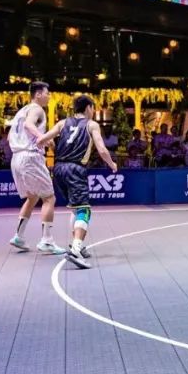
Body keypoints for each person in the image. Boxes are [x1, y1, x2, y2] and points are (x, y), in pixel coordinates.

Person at [36, 94, 118, 269]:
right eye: (93, 107)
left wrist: (53, 146)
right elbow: (102, 149)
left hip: (58, 168)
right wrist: (112, 164)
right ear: (88, 107)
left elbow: (41, 140)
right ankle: (76, 250)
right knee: (84, 210)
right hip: (75, 169)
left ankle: (76, 244)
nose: (93, 111)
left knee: (75, 207)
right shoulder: (91, 125)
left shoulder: (62, 123)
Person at [6, 81, 67, 255]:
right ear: (38, 94)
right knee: (49, 198)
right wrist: (44, 138)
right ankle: (47, 241)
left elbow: (10, 137)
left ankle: (18, 236)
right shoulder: (37, 109)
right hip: (31, 157)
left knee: (32, 197)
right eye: (47, 93)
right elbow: (29, 125)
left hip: (16, 158)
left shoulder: (21, 111)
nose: (49, 96)